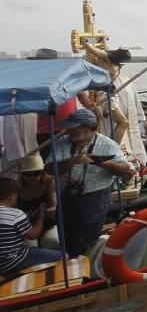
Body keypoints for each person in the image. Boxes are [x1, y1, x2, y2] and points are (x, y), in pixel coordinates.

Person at [47, 108, 131, 256]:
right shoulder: (61, 142)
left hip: (95, 198)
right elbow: (49, 169)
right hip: (68, 194)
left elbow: (125, 169)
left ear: (86, 129)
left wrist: (103, 163)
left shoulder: (107, 144)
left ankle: (84, 268)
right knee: (65, 236)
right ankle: (69, 264)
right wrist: (72, 161)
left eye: (72, 128)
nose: (68, 130)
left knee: (86, 241)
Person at [0, 177, 62, 275]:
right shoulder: (15, 213)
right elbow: (33, 235)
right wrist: (41, 214)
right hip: (17, 260)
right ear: (12, 196)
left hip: (1, 265)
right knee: (63, 256)